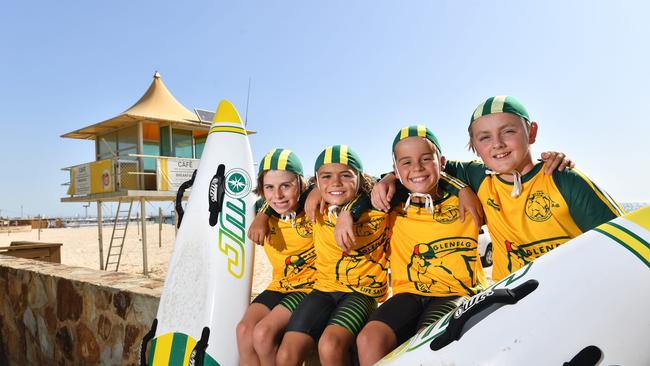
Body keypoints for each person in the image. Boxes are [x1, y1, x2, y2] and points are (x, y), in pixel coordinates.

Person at [374, 96, 624, 281]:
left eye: (509, 131)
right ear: (474, 144)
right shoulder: (478, 176)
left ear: (531, 132)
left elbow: (620, 244)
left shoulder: (562, 178)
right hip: (511, 292)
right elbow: (421, 168)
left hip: (573, 286)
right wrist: (388, 180)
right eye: (484, 137)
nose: (497, 144)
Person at [343, 126, 486, 365]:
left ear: (441, 161)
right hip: (408, 293)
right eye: (406, 162)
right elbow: (354, 193)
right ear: (396, 170)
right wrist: (348, 212)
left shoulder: (468, 194)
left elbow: (498, 169)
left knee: (427, 341)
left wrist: (460, 187)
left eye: (426, 159)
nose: (417, 168)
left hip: (455, 293)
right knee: (369, 338)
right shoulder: (391, 203)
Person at [275, 145, 389, 366]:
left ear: (359, 177)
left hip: (362, 291)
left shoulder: (378, 206)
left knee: (329, 345)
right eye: (326, 176)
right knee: (286, 354)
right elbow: (276, 199)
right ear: (317, 181)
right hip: (323, 289)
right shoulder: (314, 202)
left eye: (345, 175)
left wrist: (350, 212)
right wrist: (262, 215)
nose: (335, 182)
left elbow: (386, 183)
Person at [237, 148, 316, 366]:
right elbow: (260, 203)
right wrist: (263, 214)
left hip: (310, 288)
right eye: (269, 187)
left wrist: (316, 189)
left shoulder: (314, 208)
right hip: (279, 285)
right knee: (244, 330)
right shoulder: (260, 211)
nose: (278, 195)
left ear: (300, 184)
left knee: (262, 334)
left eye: (286, 186)